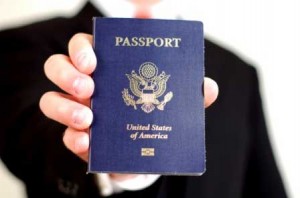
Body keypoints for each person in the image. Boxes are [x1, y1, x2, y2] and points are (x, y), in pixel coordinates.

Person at [0, 1, 287, 197]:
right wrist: (109, 157)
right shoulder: (20, 46)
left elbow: (264, 188)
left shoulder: (237, 71)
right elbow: (33, 141)